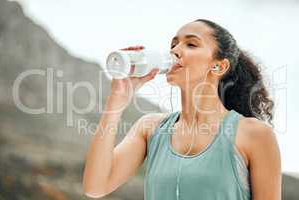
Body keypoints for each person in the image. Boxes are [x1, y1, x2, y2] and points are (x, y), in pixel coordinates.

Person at [82, 19, 281, 200]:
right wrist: (116, 103)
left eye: (191, 44)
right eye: (173, 44)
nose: (175, 50)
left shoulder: (254, 134)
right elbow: (96, 186)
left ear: (219, 66)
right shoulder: (150, 128)